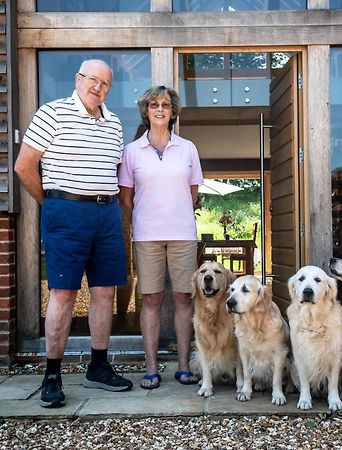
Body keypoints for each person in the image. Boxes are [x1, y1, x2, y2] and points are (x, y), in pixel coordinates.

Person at [14, 59, 133, 408]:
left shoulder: (114, 124)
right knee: (63, 294)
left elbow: (111, 169)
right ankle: (52, 374)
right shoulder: (52, 113)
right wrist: (50, 202)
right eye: (92, 79)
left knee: (105, 292)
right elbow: (23, 166)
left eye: (106, 83)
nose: (98, 87)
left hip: (107, 213)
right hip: (65, 210)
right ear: (78, 79)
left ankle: (98, 366)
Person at [118, 86, 203, 389]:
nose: (159, 109)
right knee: (151, 299)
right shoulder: (131, 152)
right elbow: (126, 197)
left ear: (172, 111)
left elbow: (192, 193)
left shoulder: (188, 148)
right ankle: (151, 368)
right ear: (146, 111)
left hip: (182, 234)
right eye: (154, 104)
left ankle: (183, 366)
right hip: (147, 236)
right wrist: (142, 220)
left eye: (165, 104)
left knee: (183, 297)